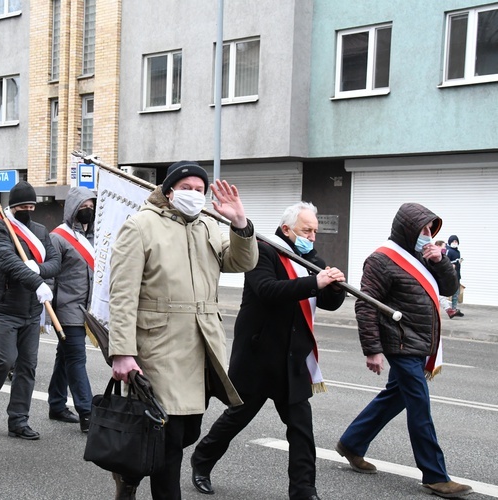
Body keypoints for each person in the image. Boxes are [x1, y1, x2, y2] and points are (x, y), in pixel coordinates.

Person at [107, 161, 259, 500]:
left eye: (199, 190)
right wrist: (122, 352)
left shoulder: (208, 225)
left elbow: (240, 262)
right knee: (169, 438)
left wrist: (239, 223)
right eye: (186, 188)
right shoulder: (141, 225)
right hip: (158, 346)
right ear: (169, 190)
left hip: (201, 346)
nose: (193, 194)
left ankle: (129, 471)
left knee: (187, 431)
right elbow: (121, 294)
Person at [191, 202, 346, 500]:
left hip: (293, 360)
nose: (312, 237)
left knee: (301, 429)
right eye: (306, 230)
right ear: (287, 229)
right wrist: (316, 282)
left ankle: (304, 490)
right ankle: (202, 459)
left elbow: (324, 300)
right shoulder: (264, 250)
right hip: (259, 357)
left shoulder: (309, 258)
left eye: (315, 231)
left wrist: (334, 288)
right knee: (237, 418)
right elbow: (269, 291)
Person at [335, 203, 472, 499]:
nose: (427, 235)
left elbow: (449, 287)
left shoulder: (423, 257)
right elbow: (365, 304)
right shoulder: (382, 260)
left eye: (430, 230)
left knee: (394, 398)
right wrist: (372, 349)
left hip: (419, 342)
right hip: (400, 343)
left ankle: (352, 442)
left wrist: (440, 261)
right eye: (423, 230)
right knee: (419, 406)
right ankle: (436, 476)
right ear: (407, 229)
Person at [0, 181, 61, 440]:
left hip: (32, 309)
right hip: (4, 307)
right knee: (4, 359)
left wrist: (39, 270)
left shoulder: (41, 231)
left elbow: (55, 262)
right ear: (12, 206)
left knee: (28, 365)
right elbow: (7, 260)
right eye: (22, 206)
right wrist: (36, 279)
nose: (27, 210)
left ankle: (19, 420)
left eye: (31, 206)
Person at [46, 186, 96, 432]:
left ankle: (56, 404)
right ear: (72, 210)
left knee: (64, 356)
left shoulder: (92, 239)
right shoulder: (58, 237)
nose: (88, 211)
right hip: (66, 309)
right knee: (77, 358)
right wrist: (47, 314)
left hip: (87, 310)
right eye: (83, 207)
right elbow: (49, 276)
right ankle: (87, 412)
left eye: (91, 207)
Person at [445, 235, 464, 318]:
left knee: (456, 293)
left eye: (456, 241)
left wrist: (458, 262)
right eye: (453, 241)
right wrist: (454, 262)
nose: (455, 243)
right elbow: (446, 261)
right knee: (445, 294)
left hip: (457, 274)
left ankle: (454, 309)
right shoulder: (448, 251)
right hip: (450, 275)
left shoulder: (458, 252)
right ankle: (448, 309)